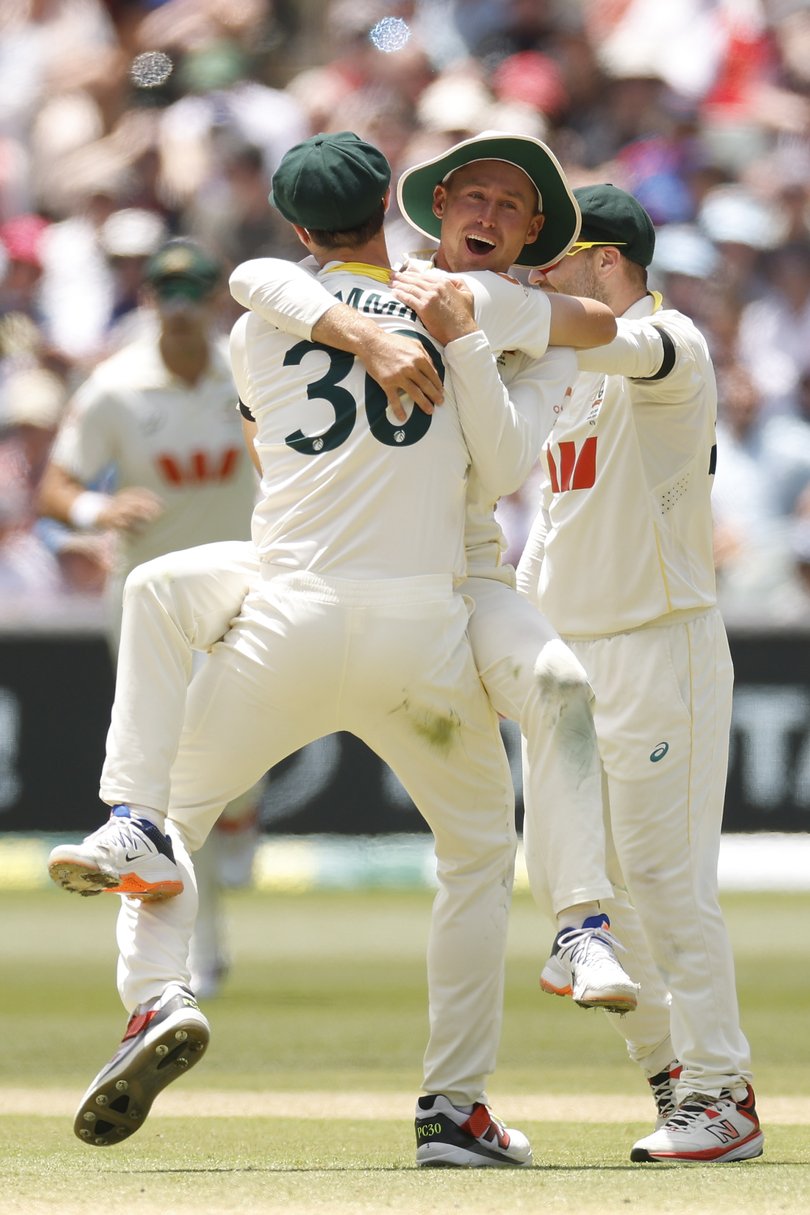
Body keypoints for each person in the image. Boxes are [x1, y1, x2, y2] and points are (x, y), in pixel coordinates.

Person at [46, 129, 592, 1169]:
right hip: (422, 635)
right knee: (479, 853)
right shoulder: (459, 300)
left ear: (299, 228)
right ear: (397, 206)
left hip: (283, 620)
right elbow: (594, 321)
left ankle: (154, 987)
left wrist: (346, 319)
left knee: (173, 822)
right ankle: (454, 1112)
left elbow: (256, 284)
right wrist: (550, 310)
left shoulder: (257, 324)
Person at [517, 184, 763, 1164]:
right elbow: (557, 519)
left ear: (607, 261)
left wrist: (516, 313)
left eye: (556, 261)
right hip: (572, 660)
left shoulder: (673, 348)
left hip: (661, 647)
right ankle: (675, 1078)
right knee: (575, 900)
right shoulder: (569, 375)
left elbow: (627, 346)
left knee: (666, 884)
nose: (540, 275)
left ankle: (720, 1095)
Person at [36, 238, 264, 998]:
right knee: (175, 776)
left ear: (209, 301)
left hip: (248, 584)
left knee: (234, 758)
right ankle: (200, 952)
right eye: (166, 295)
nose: (178, 311)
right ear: (151, 303)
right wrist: (103, 507)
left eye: (191, 294)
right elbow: (58, 487)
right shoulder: (117, 387)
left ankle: (245, 809)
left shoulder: (251, 368)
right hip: (152, 601)